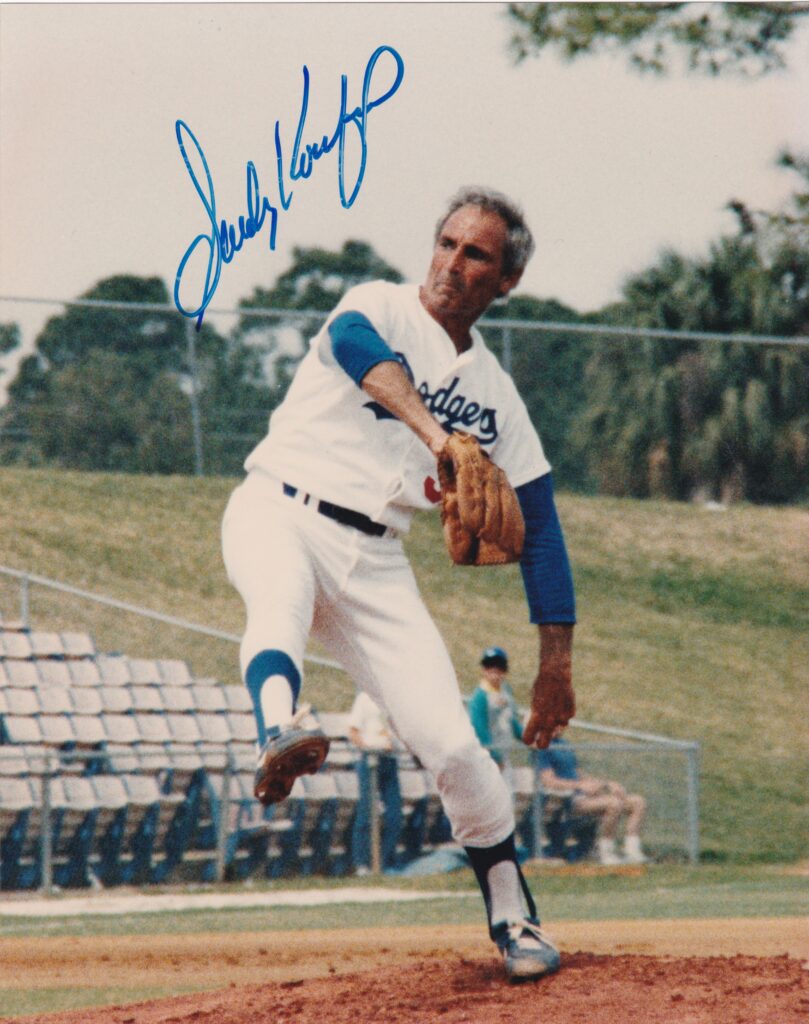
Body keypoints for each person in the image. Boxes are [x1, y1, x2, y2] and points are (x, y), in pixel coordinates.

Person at [221, 186, 577, 982]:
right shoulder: (375, 304)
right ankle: (278, 729)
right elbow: (357, 351)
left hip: (377, 560)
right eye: (446, 242)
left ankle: (512, 915)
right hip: (279, 506)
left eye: (475, 253)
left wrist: (554, 664)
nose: (452, 262)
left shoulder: (497, 397)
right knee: (277, 602)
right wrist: (437, 437)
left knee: (453, 744)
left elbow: (542, 528)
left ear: (505, 280)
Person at [536, 726, 648, 865]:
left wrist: (606, 784)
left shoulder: (565, 744)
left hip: (585, 796)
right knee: (614, 804)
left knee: (638, 802)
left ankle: (632, 851)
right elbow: (548, 780)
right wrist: (579, 786)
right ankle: (606, 853)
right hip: (566, 800)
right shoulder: (542, 747)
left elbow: (578, 774)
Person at [347, 690, 404, 873]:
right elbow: (353, 732)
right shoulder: (364, 699)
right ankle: (361, 863)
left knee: (394, 814)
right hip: (370, 760)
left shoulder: (394, 699)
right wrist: (369, 747)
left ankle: (385, 862)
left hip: (390, 759)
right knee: (366, 812)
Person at [468, 646, 524, 783]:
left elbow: (511, 720)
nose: (494, 671)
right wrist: (495, 758)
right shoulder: (480, 697)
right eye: (489, 666)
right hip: (486, 759)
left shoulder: (506, 691)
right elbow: (480, 731)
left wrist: (526, 737)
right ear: (484, 670)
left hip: (504, 756)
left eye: (499, 667)